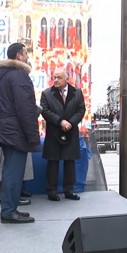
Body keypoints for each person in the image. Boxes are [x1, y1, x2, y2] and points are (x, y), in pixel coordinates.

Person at [0, 43, 40, 223]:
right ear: (19, 56)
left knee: (10, 169)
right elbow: (25, 108)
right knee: (14, 171)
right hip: (15, 131)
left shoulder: (4, 75)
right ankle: (9, 211)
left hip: (7, 130)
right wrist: (32, 135)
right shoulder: (19, 75)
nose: (28, 56)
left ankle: (10, 208)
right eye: (26, 53)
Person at [41, 66, 86, 201]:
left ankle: (69, 190)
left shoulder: (77, 93)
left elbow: (81, 110)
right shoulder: (47, 94)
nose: (56, 80)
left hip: (70, 132)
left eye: (59, 77)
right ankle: (52, 191)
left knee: (69, 162)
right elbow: (45, 111)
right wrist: (60, 122)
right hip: (54, 132)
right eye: (54, 77)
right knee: (53, 163)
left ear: (67, 78)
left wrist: (70, 123)